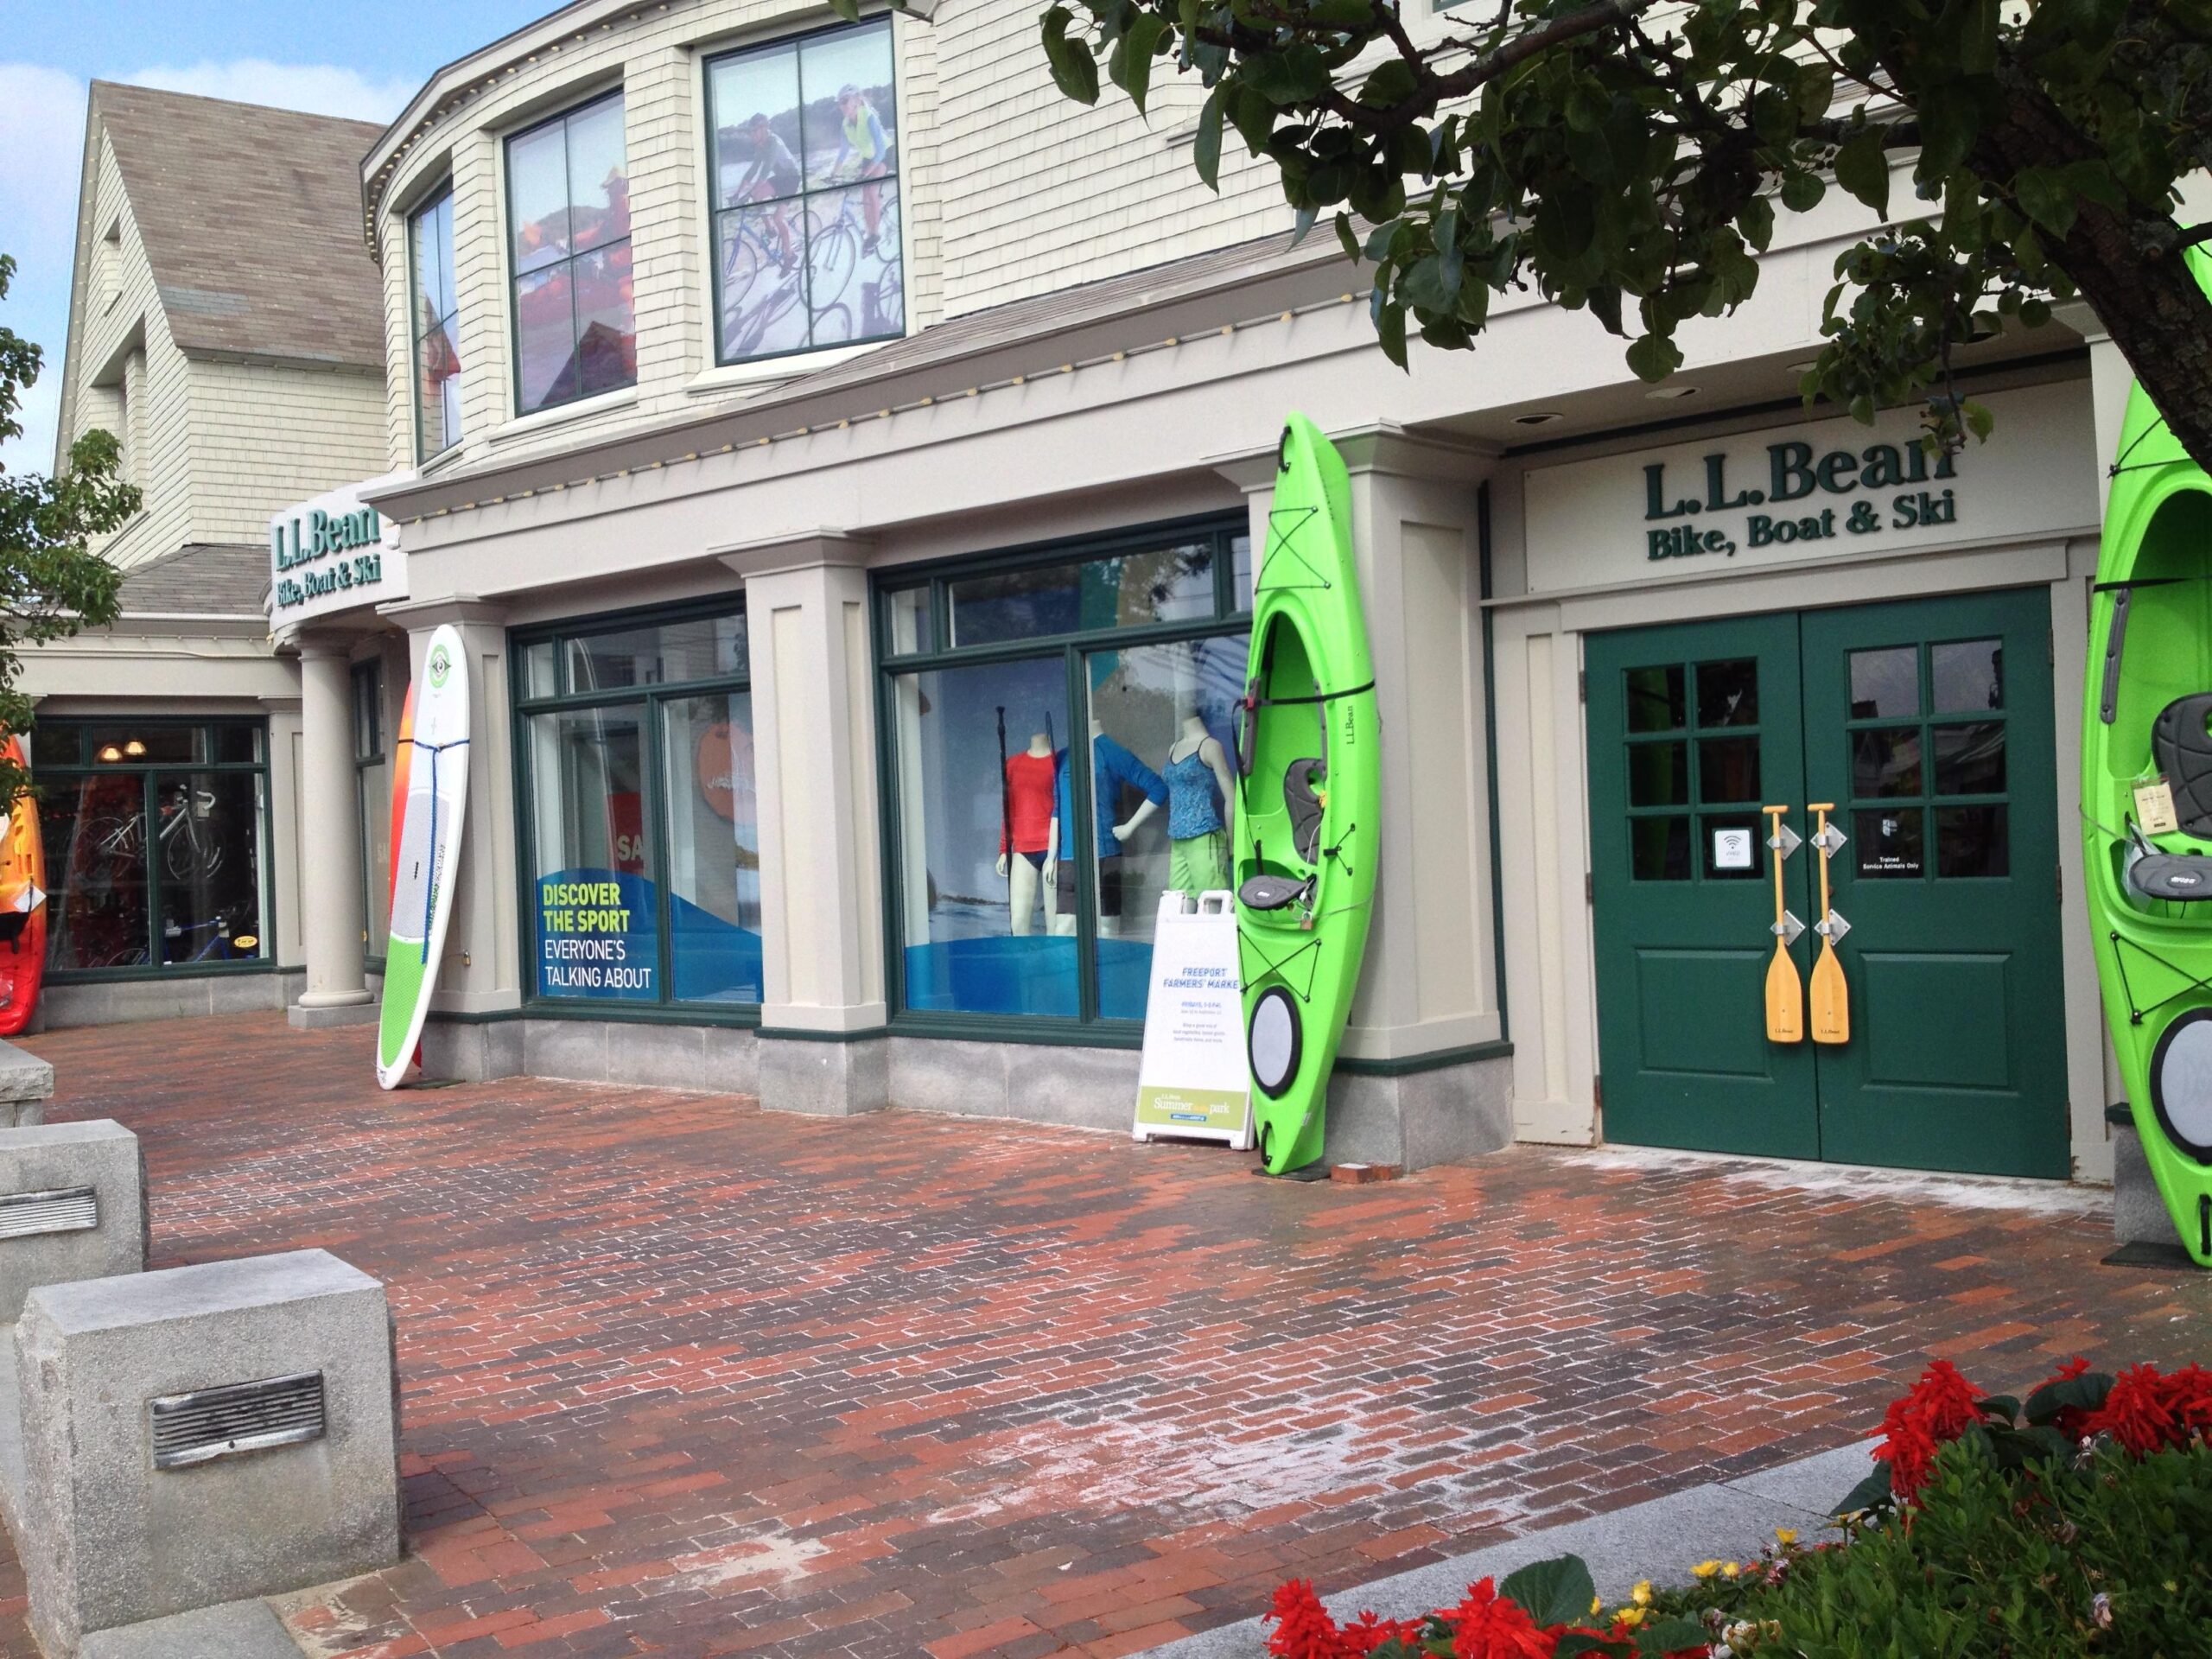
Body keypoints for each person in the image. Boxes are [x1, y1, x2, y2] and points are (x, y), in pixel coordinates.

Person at [730, 114, 801, 271]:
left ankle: (790, 255)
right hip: (780, 178)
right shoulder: (760, 146)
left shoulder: (774, 142)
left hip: (791, 179)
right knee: (756, 196)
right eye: (750, 132)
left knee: (778, 217)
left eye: (754, 131)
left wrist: (747, 194)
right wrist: (738, 192)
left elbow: (765, 170)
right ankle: (770, 230)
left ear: (763, 129)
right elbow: (753, 170)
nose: (752, 135)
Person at [830, 84, 893, 255]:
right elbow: (843, 152)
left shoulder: (869, 117)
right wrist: (833, 175)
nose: (842, 106)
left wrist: (866, 173)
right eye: (840, 103)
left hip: (885, 153)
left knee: (871, 189)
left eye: (845, 101)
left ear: (857, 100)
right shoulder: (845, 125)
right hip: (868, 157)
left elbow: (880, 150)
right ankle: (870, 235)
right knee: (865, 194)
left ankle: (876, 233)